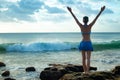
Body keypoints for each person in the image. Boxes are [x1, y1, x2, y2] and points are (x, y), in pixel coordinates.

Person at [67, 6, 105, 75]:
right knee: (88, 59)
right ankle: (87, 71)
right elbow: (96, 18)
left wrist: (71, 11)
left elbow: (75, 19)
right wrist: (101, 11)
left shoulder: (81, 26)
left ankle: (85, 72)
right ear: (88, 20)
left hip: (83, 43)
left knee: (83, 59)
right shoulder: (90, 26)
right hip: (88, 43)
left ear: (83, 20)